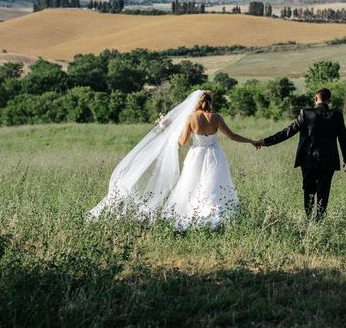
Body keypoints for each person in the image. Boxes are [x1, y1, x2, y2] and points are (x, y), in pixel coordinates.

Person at [87, 90, 257, 230]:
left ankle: (195, 215)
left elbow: (183, 142)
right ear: (210, 102)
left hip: (197, 155)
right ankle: (216, 214)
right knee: (214, 184)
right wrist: (252, 141)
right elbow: (233, 136)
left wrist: (170, 129)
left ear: (196, 102)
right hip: (215, 154)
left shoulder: (191, 118)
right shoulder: (217, 117)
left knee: (191, 186)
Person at [255, 88, 346, 220]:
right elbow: (344, 138)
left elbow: (288, 132)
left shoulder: (306, 113)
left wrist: (266, 142)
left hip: (308, 159)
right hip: (329, 159)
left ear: (315, 99)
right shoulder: (337, 115)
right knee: (324, 191)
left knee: (309, 190)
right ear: (329, 100)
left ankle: (309, 219)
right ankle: (319, 221)